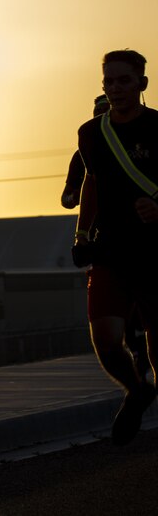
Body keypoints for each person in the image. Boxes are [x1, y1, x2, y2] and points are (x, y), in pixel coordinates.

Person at [73, 49, 158, 446]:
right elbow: (92, 182)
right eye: (109, 81)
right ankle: (137, 391)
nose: (116, 88)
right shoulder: (91, 133)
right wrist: (82, 235)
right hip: (110, 250)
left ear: (141, 84)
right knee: (106, 339)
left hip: (154, 251)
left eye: (124, 81)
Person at [61, 94, 109, 209]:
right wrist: (73, 198)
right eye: (97, 111)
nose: (101, 114)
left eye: (106, 110)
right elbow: (65, 198)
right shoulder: (83, 153)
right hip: (98, 224)